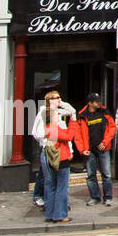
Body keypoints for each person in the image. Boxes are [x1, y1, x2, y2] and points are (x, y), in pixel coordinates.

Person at [39, 91, 78, 223]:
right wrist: (73, 122)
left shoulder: (47, 127)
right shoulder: (54, 128)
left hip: (50, 158)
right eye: (56, 115)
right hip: (61, 158)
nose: (59, 116)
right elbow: (68, 136)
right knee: (62, 187)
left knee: (50, 186)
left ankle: (49, 214)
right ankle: (60, 215)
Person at [76, 93, 115, 207]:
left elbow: (112, 127)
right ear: (90, 103)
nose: (99, 103)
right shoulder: (82, 115)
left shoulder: (105, 112)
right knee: (90, 175)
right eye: (96, 101)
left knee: (106, 174)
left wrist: (105, 142)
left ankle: (108, 197)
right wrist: (82, 149)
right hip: (90, 150)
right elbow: (77, 135)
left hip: (103, 148)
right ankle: (95, 197)